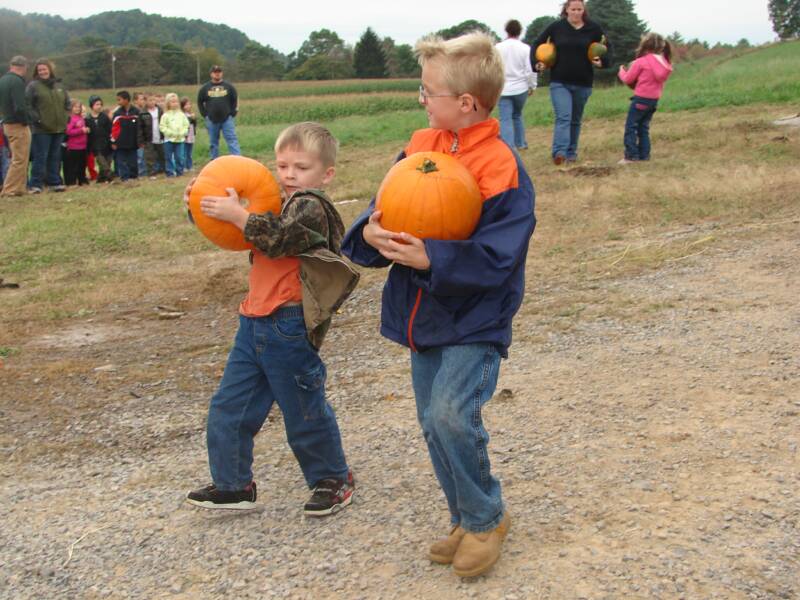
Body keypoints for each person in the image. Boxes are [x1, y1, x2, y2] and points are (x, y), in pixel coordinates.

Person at [342, 32, 536, 578]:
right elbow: (387, 205)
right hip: (421, 313)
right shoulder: (421, 145)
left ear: (467, 104)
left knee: (453, 414)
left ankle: (485, 518)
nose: (422, 99)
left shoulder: (501, 167)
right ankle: (464, 515)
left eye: (428, 91)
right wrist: (369, 234)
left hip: (474, 316)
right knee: (432, 422)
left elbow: (500, 255)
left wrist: (435, 259)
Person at [184, 121, 359, 516]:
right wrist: (203, 204)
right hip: (254, 321)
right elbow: (235, 233)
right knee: (230, 406)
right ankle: (233, 485)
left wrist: (238, 214)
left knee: (302, 408)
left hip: (290, 324)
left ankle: (334, 478)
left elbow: (278, 237)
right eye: (282, 166)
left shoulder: (312, 206)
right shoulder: (272, 201)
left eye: (301, 167)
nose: (290, 175)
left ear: (325, 174)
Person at [533, 0, 611, 165]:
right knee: (564, 117)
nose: (576, 12)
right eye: (573, 9)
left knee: (575, 119)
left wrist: (602, 62)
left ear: (584, 10)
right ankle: (559, 153)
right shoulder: (556, 27)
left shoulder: (593, 28)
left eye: (579, 9)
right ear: (566, 10)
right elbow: (537, 44)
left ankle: (571, 153)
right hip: (560, 81)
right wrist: (537, 63)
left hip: (583, 82)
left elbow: (607, 48)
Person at [617, 33, 673, 164]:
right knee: (644, 128)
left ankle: (630, 156)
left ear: (645, 45)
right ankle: (644, 156)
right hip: (653, 100)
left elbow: (628, 79)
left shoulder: (641, 62)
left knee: (631, 127)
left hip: (640, 99)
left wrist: (621, 71)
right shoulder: (664, 63)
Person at [26, 58, 71, 192]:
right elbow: (28, 105)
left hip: (59, 127)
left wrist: (65, 117)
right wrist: (37, 119)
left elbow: (67, 103)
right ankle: (35, 184)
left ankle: (54, 182)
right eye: (40, 70)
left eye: (44, 69)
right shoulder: (33, 86)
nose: (42, 72)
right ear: (36, 72)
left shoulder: (59, 86)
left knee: (55, 156)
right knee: (40, 157)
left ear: (50, 70)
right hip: (41, 129)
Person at [496, 19, 537, 151]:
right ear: (520, 32)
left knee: (505, 118)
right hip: (521, 88)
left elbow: (493, 69)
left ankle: (509, 146)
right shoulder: (525, 48)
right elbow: (530, 70)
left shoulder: (497, 48)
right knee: (517, 115)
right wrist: (532, 85)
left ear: (506, 31)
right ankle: (521, 143)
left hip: (503, 89)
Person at [0, 56, 31, 197]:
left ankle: (19, 188)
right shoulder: (17, 81)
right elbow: (20, 106)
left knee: (18, 157)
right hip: (17, 124)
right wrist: (26, 121)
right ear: (23, 67)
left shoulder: (3, 80)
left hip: (7, 122)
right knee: (19, 159)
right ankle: (10, 189)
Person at [197, 65, 240, 159]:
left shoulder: (229, 87)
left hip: (227, 119)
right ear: (211, 74)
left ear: (222, 73)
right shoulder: (205, 88)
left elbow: (235, 99)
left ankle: (237, 160)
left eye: (219, 72)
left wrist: (233, 112)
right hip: (212, 119)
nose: (217, 74)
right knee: (213, 142)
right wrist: (204, 114)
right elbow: (200, 102)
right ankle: (214, 161)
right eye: (215, 72)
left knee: (232, 140)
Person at [110, 90, 143, 182]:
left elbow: (140, 128)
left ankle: (133, 176)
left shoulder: (136, 112)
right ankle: (124, 177)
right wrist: (113, 141)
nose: (118, 102)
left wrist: (140, 140)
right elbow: (114, 129)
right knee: (121, 161)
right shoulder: (117, 114)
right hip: (121, 143)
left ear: (126, 100)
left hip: (133, 142)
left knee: (133, 161)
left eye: (119, 100)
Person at [159, 93, 189, 177]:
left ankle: (180, 171)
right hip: (169, 140)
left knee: (179, 156)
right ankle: (170, 172)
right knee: (168, 157)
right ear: (168, 103)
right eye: (172, 102)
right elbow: (162, 127)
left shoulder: (182, 115)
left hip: (180, 139)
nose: (175, 103)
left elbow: (186, 125)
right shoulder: (165, 115)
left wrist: (183, 132)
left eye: (176, 101)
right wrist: (170, 133)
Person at [86, 95, 113, 183]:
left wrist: (112, 141)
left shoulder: (104, 117)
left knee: (107, 162)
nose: (99, 106)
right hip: (96, 146)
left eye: (100, 104)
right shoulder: (87, 119)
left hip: (106, 144)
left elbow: (110, 130)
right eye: (97, 104)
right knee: (103, 163)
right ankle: (110, 177)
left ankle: (101, 179)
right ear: (92, 105)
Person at [63, 99, 89, 186]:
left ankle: (82, 180)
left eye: (79, 107)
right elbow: (68, 131)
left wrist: (86, 130)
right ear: (71, 108)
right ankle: (71, 182)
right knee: (73, 166)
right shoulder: (70, 119)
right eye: (75, 107)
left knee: (82, 165)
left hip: (83, 146)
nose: (77, 109)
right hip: (74, 147)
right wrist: (81, 130)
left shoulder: (81, 118)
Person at [140, 93, 164, 178]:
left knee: (162, 154)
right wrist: (141, 140)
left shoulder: (160, 110)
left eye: (153, 100)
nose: (152, 102)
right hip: (148, 138)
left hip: (160, 136)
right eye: (150, 100)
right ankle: (151, 173)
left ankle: (163, 170)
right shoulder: (143, 113)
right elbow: (140, 128)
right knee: (149, 156)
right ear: (145, 101)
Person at [180, 97, 196, 171]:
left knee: (189, 152)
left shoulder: (191, 114)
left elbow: (194, 124)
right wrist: (190, 118)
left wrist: (194, 119)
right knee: (184, 151)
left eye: (189, 104)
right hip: (185, 135)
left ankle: (189, 165)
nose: (188, 106)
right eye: (186, 105)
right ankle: (184, 166)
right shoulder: (182, 115)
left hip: (191, 134)